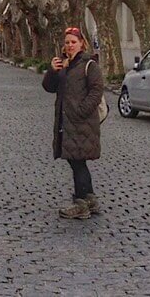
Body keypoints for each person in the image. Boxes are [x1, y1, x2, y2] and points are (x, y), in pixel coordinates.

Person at [42, 26, 104, 220]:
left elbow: (96, 91)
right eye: (67, 42)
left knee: (78, 162)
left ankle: (81, 203)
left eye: (73, 42)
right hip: (66, 122)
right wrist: (52, 71)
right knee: (76, 160)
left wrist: (81, 111)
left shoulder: (89, 65)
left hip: (81, 123)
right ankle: (90, 199)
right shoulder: (65, 64)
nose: (69, 45)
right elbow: (48, 87)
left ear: (82, 44)